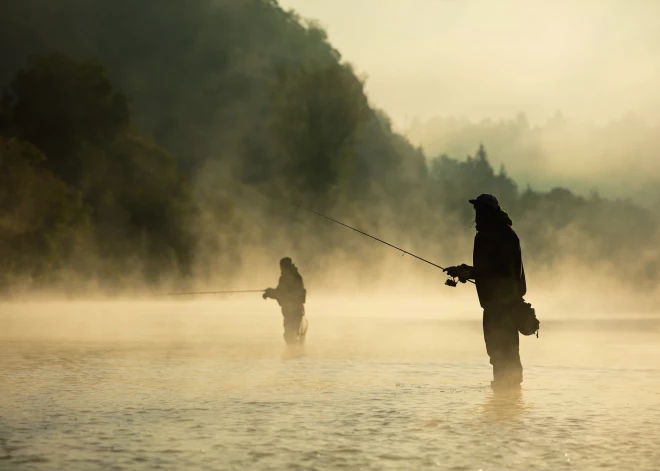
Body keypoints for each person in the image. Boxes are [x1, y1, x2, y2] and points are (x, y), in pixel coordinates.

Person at [444, 194, 529, 390]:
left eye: (481, 210)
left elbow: (499, 270)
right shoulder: (496, 234)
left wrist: (468, 272)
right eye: (476, 210)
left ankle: (508, 391)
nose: (477, 214)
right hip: (494, 304)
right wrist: (464, 270)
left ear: (490, 212)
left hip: (503, 306)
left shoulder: (499, 236)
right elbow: (487, 269)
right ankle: (505, 395)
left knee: (504, 351)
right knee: (498, 351)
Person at [263, 257, 307, 345]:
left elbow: (281, 293)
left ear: (284, 266)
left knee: (290, 334)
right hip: (295, 310)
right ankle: (295, 352)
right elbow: (281, 292)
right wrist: (270, 292)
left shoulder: (287, 277)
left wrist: (269, 293)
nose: (281, 269)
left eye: (281, 266)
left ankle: (293, 352)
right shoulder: (295, 276)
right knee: (292, 334)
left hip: (293, 311)